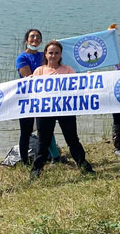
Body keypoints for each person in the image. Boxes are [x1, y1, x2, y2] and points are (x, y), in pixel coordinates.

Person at [30, 41, 94, 178]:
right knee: (43, 141)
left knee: (72, 139)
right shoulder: (39, 71)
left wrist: (88, 77)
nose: (53, 55)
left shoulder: (68, 70)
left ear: (60, 55)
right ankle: (36, 170)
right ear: (46, 54)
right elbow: (33, 91)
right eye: (50, 53)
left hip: (65, 109)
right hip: (45, 111)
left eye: (56, 53)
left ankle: (83, 165)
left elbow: (78, 85)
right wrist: (29, 81)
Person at [14, 28, 43, 165]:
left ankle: (43, 157)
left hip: (43, 98)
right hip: (27, 98)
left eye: (38, 37)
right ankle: (24, 160)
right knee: (26, 130)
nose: (35, 39)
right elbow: (28, 76)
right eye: (32, 37)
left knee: (44, 129)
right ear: (26, 41)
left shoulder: (44, 55)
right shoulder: (22, 58)